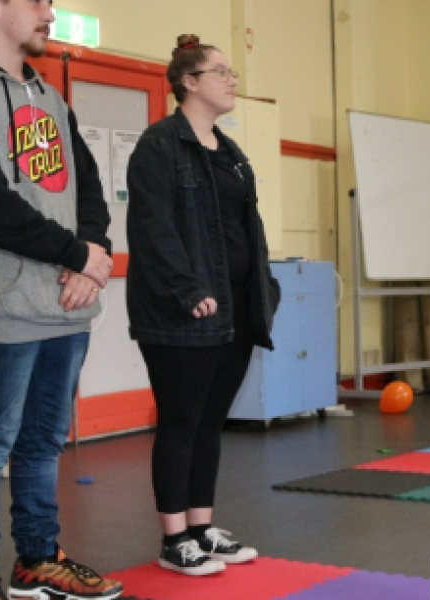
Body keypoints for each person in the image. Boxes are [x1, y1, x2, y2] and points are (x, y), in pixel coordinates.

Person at [0, 1, 122, 598]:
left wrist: (92, 256)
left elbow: (88, 187)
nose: (50, 15)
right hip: (2, 309)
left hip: (65, 306)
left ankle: (38, 561)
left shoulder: (52, 99)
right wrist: (73, 254)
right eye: (37, 2)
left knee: (42, 443)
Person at [126, 34, 280, 576]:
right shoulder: (160, 145)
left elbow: (247, 229)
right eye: (220, 72)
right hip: (180, 313)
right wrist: (189, 291)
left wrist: (265, 290)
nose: (232, 80)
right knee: (181, 419)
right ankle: (174, 540)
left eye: (232, 72)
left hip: (234, 309)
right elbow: (154, 229)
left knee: (211, 420)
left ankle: (201, 528)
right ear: (188, 83)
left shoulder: (231, 153)